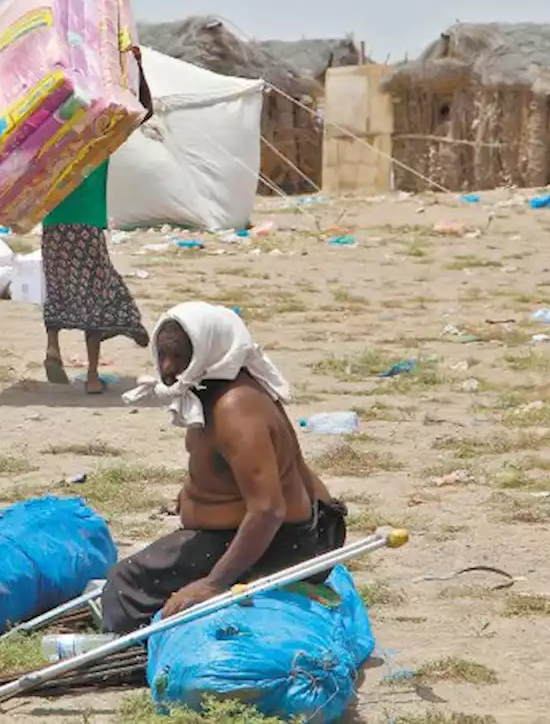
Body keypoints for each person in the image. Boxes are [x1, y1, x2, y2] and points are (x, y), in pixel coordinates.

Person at [103, 303, 349, 634]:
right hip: (261, 533)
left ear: (208, 350)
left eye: (179, 356)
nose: (168, 368)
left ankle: (130, 655)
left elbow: (268, 509)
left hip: (282, 543)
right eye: (162, 355)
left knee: (125, 582)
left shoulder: (235, 407)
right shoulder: (211, 388)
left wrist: (214, 583)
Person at [42, 45, 155, 395]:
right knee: (95, 293)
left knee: (58, 288)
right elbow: (145, 112)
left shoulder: (50, 137)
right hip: (88, 225)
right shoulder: (100, 137)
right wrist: (137, 67)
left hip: (53, 223)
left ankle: (53, 347)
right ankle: (92, 376)